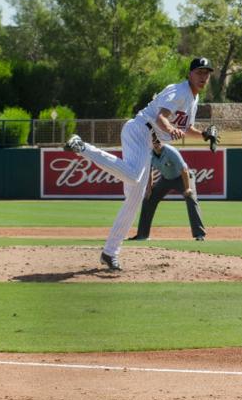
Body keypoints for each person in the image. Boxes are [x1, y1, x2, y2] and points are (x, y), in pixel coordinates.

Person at [63, 57, 219, 271]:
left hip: (148, 140)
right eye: (199, 72)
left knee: (134, 200)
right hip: (140, 130)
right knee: (135, 176)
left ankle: (110, 252)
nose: (203, 77)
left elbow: (185, 127)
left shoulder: (193, 98)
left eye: (207, 73)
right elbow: (162, 116)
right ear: (190, 74)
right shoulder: (179, 90)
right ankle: (83, 147)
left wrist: (203, 135)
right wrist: (169, 128)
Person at [129, 135, 207, 242]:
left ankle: (199, 234)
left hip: (182, 177)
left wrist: (187, 188)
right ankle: (142, 235)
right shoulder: (149, 154)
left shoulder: (170, 151)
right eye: (154, 142)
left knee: (191, 199)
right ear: (151, 144)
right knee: (148, 199)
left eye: (159, 141)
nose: (157, 143)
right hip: (166, 179)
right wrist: (149, 189)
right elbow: (149, 171)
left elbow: (184, 169)